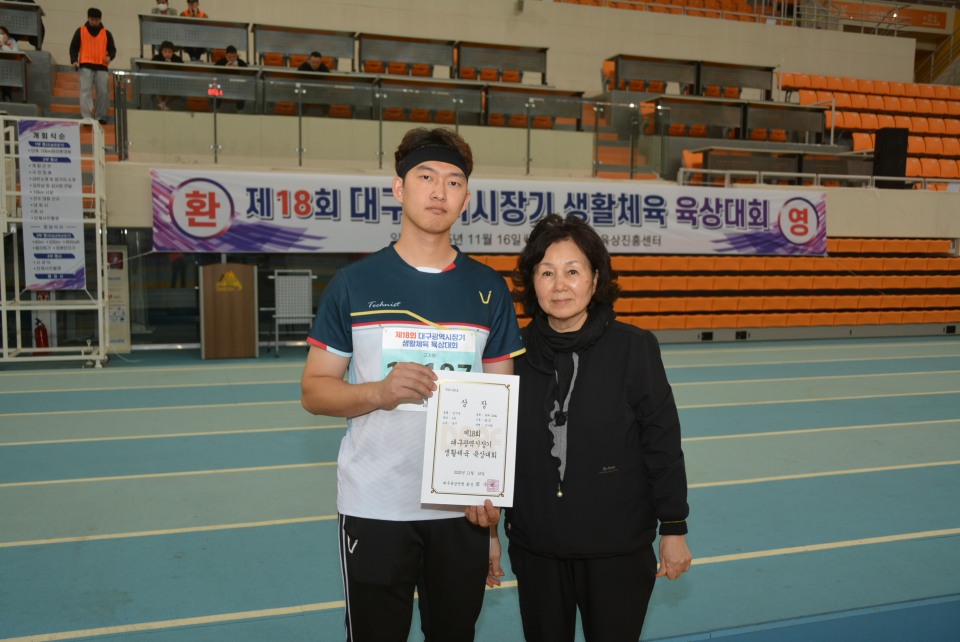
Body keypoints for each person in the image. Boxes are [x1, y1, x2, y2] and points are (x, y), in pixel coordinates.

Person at [301, 127, 524, 641]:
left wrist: (491, 524)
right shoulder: (355, 284)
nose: (439, 191)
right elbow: (314, 390)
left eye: (453, 181)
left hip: (460, 511)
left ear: (466, 198)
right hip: (374, 505)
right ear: (399, 188)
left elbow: (500, 412)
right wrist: (378, 392)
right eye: (426, 177)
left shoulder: (488, 289)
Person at [488, 213, 692, 641]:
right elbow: (492, 445)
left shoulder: (634, 348)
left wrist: (674, 527)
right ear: (531, 282)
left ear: (596, 279)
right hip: (537, 547)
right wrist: (489, 532)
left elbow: (662, 442)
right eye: (546, 272)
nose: (559, 285)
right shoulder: (510, 355)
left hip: (618, 548)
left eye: (572, 271)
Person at [69, 7, 116, 125]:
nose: (94, 21)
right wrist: (74, 60)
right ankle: (87, 117)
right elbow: (73, 47)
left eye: (97, 20)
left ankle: (101, 116)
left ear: (100, 20)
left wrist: (109, 57)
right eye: (92, 19)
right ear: (88, 18)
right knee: (85, 92)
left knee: (103, 92)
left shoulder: (107, 33)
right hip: (85, 66)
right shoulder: (80, 31)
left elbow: (112, 49)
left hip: (102, 67)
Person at [150, 40, 183, 110]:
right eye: (165, 51)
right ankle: (163, 105)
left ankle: (162, 105)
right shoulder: (156, 58)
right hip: (159, 81)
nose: (167, 54)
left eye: (170, 52)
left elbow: (181, 70)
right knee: (154, 85)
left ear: (173, 52)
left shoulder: (177, 59)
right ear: (161, 51)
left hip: (172, 82)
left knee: (175, 87)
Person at [213, 45, 247, 111]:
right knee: (216, 88)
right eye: (229, 57)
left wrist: (239, 69)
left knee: (243, 89)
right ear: (226, 56)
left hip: (237, 85)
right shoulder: (220, 62)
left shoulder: (241, 63)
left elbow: (247, 73)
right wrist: (225, 68)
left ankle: (240, 110)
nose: (232, 59)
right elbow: (214, 72)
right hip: (223, 84)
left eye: (234, 57)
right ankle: (215, 109)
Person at [0, 26, 20, 102]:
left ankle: (7, 96)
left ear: (7, 35)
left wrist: (3, 45)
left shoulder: (12, 42)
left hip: (7, 69)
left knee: (6, 71)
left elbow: (15, 52)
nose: (0, 36)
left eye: (2, 33)